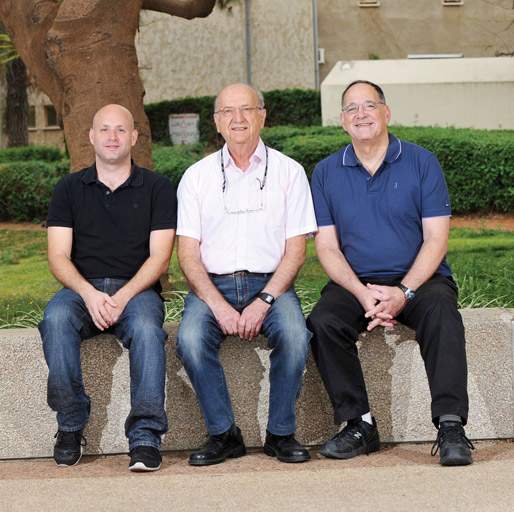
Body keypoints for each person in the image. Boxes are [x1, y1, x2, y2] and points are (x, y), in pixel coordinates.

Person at [307, 80, 474, 466]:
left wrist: (403, 291)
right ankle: (359, 424)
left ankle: (451, 427)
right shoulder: (327, 172)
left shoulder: (421, 162)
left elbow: (435, 240)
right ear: (342, 121)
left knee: (444, 316)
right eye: (352, 108)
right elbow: (327, 247)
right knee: (323, 321)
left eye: (369, 105)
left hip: (419, 278)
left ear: (386, 113)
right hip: (356, 282)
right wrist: (364, 294)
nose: (361, 114)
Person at [176, 83, 317, 465]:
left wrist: (265, 300)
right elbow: (187, 255)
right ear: (217, 122)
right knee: (188, 339)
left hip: (272, 282)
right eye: (227, 112)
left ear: (262, 115)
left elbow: (296, 251)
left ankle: (281, 434)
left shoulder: (290, 172)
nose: (237, 119)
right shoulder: (196, 177)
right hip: (212, 286)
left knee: (294, 334)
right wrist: (218, 306)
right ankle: (224, 434)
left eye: (246, 110)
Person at [39, 104, 177, 472]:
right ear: (91, 136)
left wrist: (123, 296)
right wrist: (89, 294)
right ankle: (70, 425)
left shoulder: (158, 188)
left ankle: (146, 437)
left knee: (149, 331)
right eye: (104, 129)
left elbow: (160, 259)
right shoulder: (69, 189)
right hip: (82, 291)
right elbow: (58, 257)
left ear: (133, 137)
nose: (112, 137)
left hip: (138, 291)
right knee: (55, 318)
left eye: (120, 130)